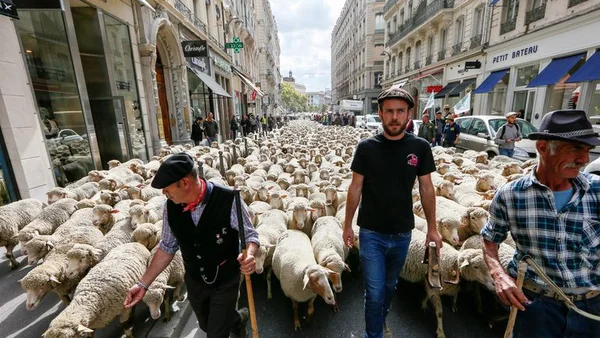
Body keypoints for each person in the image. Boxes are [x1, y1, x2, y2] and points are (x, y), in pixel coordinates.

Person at [481, 109, 600, 338]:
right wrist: (499, 275)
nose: (584, 159)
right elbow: (489, 239)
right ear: (543, 148)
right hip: (535, 307)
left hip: (592, 308)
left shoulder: (597, 191)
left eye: (587, 150)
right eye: (574, 148)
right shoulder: (511, 195)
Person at [342, 87, 442, 338]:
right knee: (374, 291)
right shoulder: (366, 148)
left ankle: (379, 319)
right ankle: (373, 334)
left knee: (389, 286)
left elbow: (427, 188)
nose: (394, 117)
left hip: (402, 233)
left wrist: (432, 228)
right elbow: (356, 187)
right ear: (380, 114)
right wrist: (346, 225)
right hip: (371, 232)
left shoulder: (420, 147)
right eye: (389, 111)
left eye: (400, 111)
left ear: (410, 114)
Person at [124, 153, 259, 338]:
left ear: (185, 183)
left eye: (167, 187)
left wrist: (250, 253)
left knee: (215, 333)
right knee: (205, 324)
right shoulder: (171, 207)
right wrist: (143, 284)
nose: (164, 192)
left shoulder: (229, 200)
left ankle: (228, 321)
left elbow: (250, 235)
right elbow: (167, 247)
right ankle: (237, 320)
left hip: (225, 279)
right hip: (195, 280)